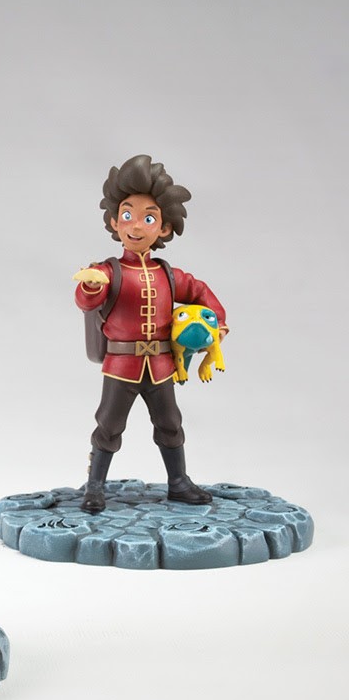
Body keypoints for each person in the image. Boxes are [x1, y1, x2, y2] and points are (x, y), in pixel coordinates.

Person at [73, 154, 227, 514]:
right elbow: (86, 297)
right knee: (109, 425)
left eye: (148, 218)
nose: (136, 226)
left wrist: (217, 323)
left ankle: (178, 482)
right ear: (114, 222)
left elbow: (200, 291)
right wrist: (91, 286)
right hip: (121, 364)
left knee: (170, 423)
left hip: (160, 365)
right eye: (127, 215)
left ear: (164, 228)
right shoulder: (109, 270)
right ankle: (95, 486)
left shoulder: (168, 276)